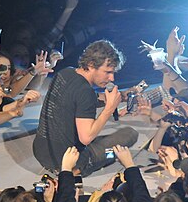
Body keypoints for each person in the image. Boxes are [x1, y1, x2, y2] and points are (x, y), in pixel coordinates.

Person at [33, 40, 138, 176]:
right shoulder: (85, 91)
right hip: (70, 163)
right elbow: (86, 138)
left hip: (41, 151)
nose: (111, 78)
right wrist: (109, 109)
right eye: (107, 72)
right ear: (91, 65)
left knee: (102, 138)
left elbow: (83, 99)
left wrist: (119, 97)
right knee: (129, 135)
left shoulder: (66, 73)